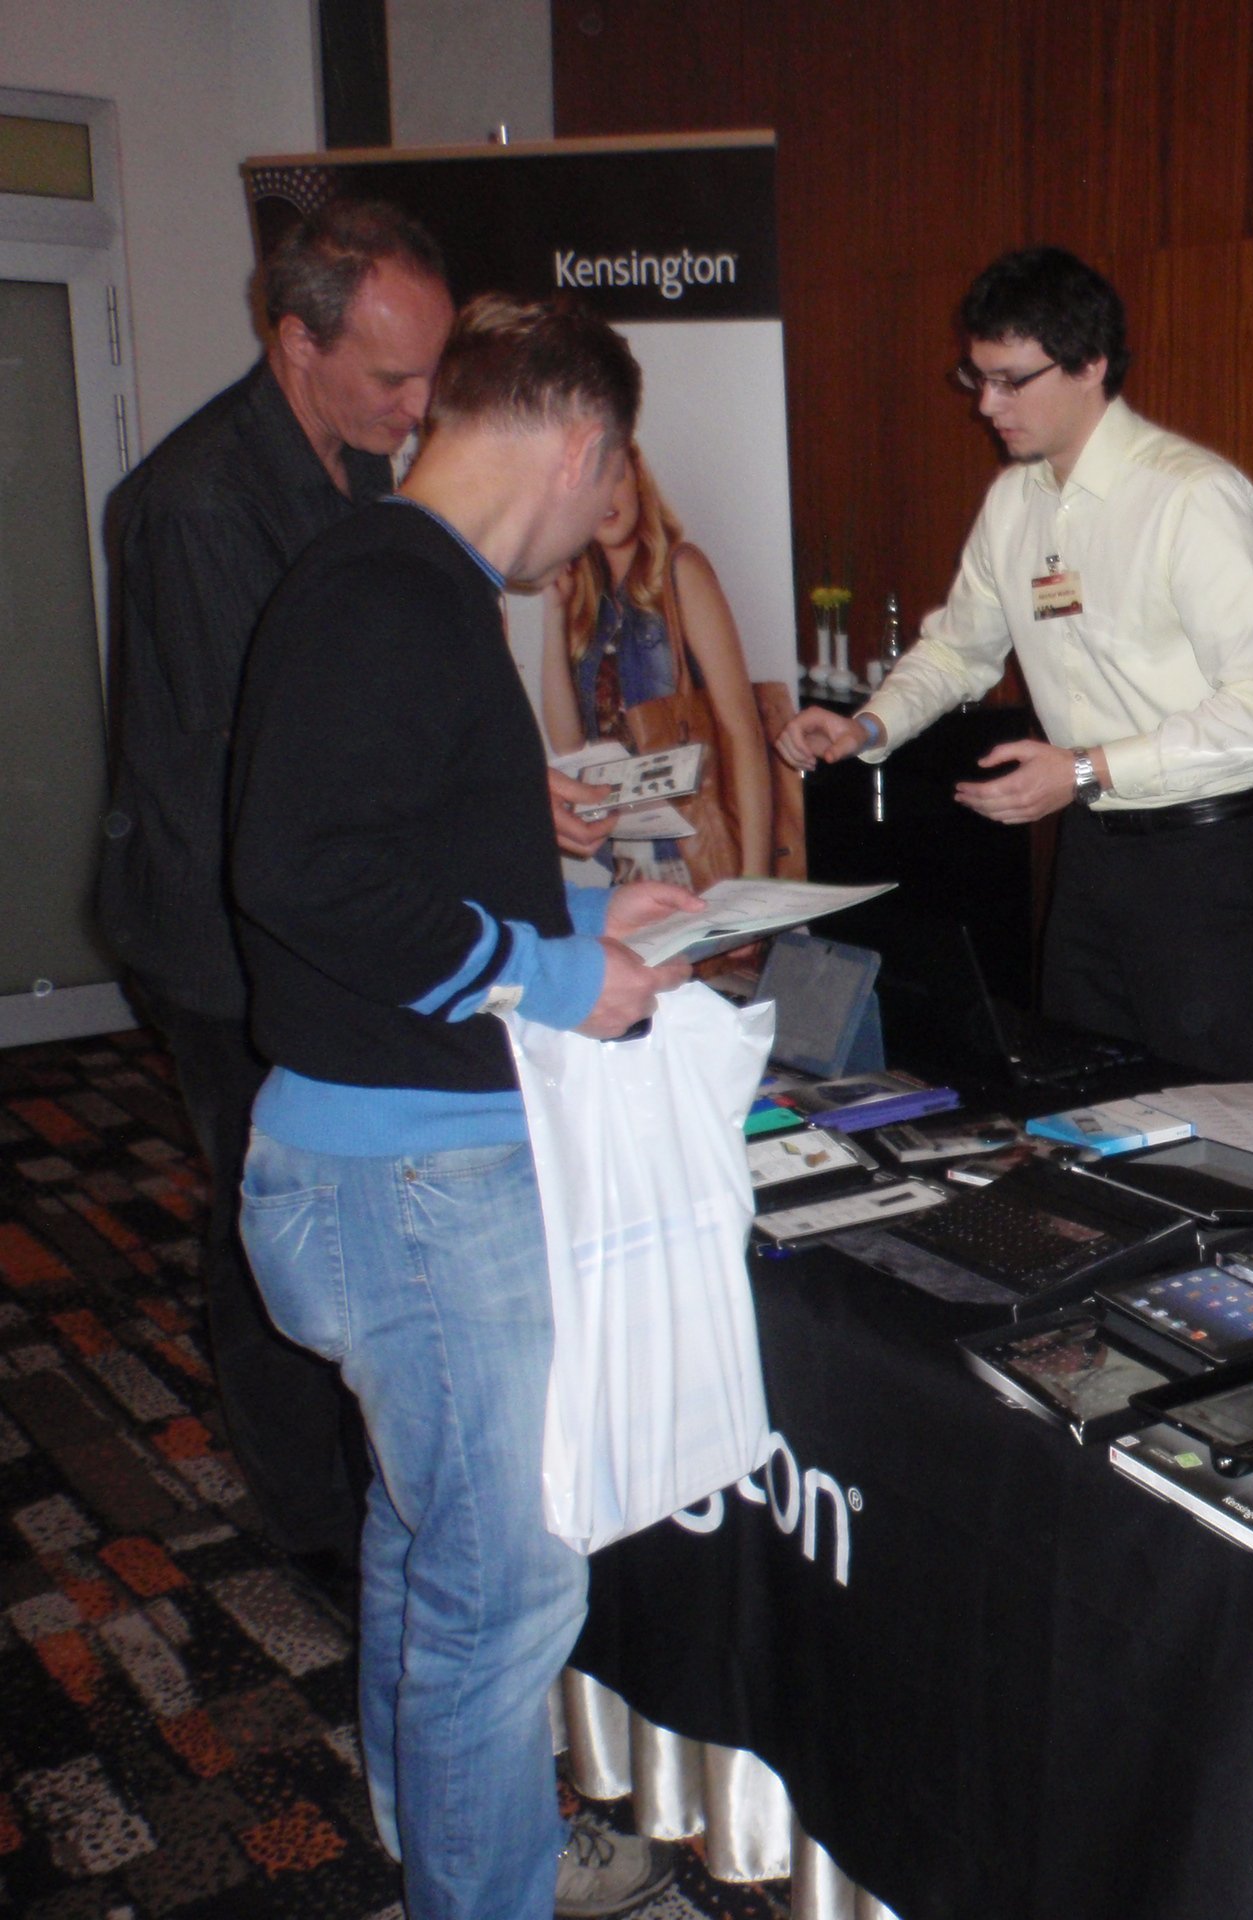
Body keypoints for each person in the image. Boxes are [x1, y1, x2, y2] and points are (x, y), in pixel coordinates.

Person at [228, 293, 689, 1920]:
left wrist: (589, 921)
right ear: (583, 443)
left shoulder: (400, 582)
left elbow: (401, 857)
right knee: (503, 1601)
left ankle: (435, 1841)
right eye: (610, 481)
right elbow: (301, 877)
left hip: (385, 1168)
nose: (599, 519)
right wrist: (556, 979)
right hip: (411, 1189)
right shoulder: (393, 596)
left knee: (431, 1551)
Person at [95, 199, 463, 1581]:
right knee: (272, 1228)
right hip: (223, 940)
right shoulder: (201, 501)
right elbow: (261, 762)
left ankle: (358, 1479)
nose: (420, 410)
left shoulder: (353, 464)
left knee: (328, 1210)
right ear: (296, 343)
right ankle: (310, 1527)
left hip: (302, 907)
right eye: (394, 378)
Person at [778, 246, 1253, 1079]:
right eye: (977, 377)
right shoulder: (1013, 501)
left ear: (1090, 363)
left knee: (1220, 1118)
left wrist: (1088, 768)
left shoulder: (1189, 497)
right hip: (1093, 849)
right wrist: (869, 727)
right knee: (1084, 1100)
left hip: (1207, 861)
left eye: (1011, 380)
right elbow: (958, 648)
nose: (987, 404)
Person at [539, 444, 773, 886]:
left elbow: (743, 730)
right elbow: (568, 743)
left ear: (639, 479)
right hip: (628, 864)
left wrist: (754, 882)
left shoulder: (681, 571)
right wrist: (555, 612)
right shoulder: (593, 606)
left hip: (697, 858)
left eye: (615, 475)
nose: (606, 498)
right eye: (590, 484)